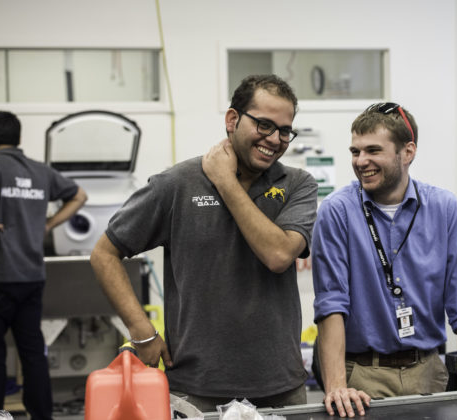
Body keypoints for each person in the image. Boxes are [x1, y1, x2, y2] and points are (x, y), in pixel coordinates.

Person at [90, 74, 318, 412]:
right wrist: (141, 330)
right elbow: (104, 254)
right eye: (264, 125)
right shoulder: (177, 184)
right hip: (198, 390)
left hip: (281, 388)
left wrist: (225, 182)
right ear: (232, 119)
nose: (275, 139)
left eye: (285, 130)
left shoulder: (297, 184)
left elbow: (278, 255)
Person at [311, 102, 457, 417]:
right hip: (361, 376)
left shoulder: (443, 208)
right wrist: (336, 385)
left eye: (373, 151)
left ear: (408, 152)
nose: (361, 161)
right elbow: (331, 304)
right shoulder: (337, 211)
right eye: (355, 151)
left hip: (429, 370)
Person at [0, 111, 87, 419]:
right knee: (32, 353)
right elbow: (79, 195)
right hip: (30, 278)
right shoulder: (41, 172)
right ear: (19, 138)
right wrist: (50, 223)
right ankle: (42, 416)